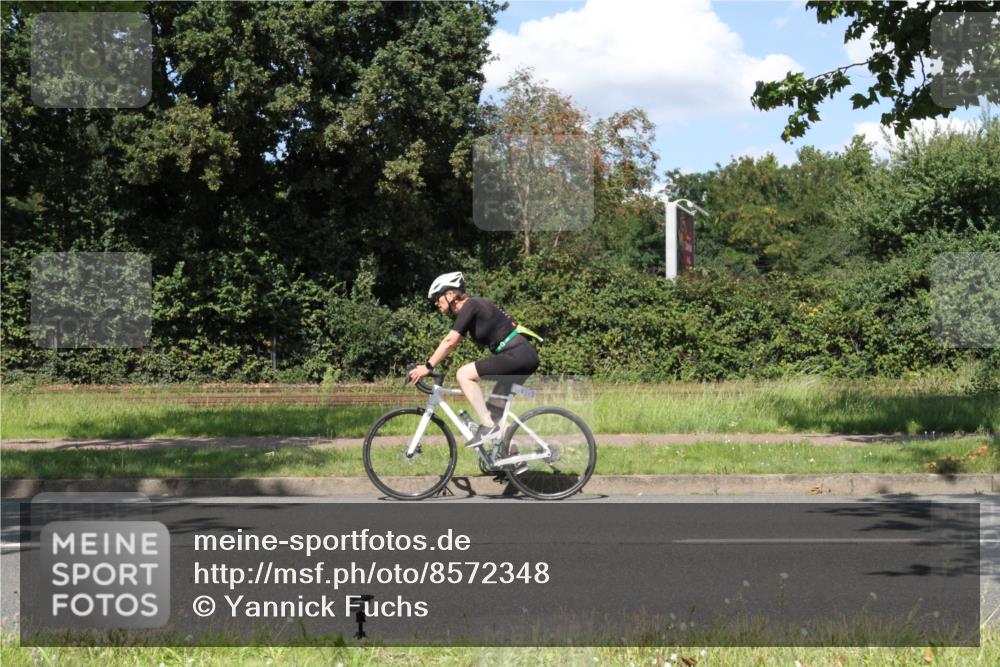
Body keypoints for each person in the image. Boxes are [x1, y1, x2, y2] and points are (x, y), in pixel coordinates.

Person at [407, 271, 541, 448]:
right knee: (495, 415)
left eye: (438, 297)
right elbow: (453, 342)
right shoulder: (470, 310)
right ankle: (512, 457)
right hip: (519, 356)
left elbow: (450, 342)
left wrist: (428, 366)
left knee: (463, 374)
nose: (436, 302)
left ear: (451, 294)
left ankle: (487, 427)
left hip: (517, 354)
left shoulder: (471, 305)